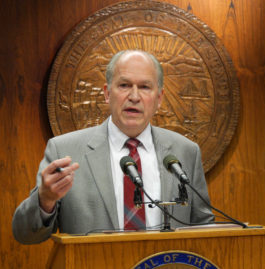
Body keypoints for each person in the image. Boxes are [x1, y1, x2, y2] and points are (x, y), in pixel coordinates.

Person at [12, 50, 214, 244]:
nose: (134, 96)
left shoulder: (185, 152)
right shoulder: (65, 150)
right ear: (107, 93)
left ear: (159, 98)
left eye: (145, 87)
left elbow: (205, 229)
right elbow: (26, 235)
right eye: (124, 85)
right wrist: (44, 201)